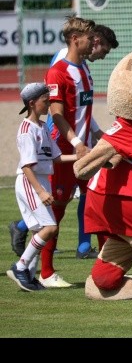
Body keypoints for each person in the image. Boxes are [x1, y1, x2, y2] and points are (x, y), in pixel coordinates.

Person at [9, 23, 119, 260]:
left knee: (93, 200)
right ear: (78, 39)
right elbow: (57, 114)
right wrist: (78, 142)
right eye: (91, 39)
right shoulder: (61, 67)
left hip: (80, 145)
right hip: (63, 146)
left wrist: (97, 134)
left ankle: (92, 253)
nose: (94, 46)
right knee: (56, 207)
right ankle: (38, 266)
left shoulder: (85, 68)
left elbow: (82, 110)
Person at [6, 83, 77, 291]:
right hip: (31, 182)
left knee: (39, 230)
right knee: (50, 228)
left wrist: (81, 155)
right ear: (32, 103)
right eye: (45, 101)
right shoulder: (26, 129)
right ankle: (20, 267)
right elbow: (27, 166)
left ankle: (27, 275)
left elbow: (56, 157)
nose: (48, 104)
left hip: (40, 180)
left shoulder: (43, 127)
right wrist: (40, 190)